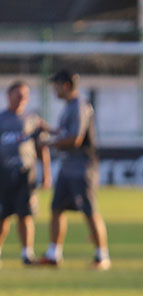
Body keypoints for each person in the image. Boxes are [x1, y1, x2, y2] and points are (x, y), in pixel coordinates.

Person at [40, 70, 110, 270]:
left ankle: (102, 256)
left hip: (82, 166)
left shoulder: (79, 106)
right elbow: (65, 133)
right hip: (68, 165)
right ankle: (54, 254)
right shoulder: (69, 107)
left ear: (66, 85)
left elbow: (75, 139)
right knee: (56, 209)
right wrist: (49, 130)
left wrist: (50, 143)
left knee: (89, 210)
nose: (54, 89)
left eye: (56, 85)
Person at [0, 80, 51, 266]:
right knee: (2, 216)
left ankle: (26, 254)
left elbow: (42, 148)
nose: (22, 99)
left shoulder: (33, 120)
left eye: (25, 96)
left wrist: (47, 173)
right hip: (3, 174)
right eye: (18, 95)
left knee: (25, 215)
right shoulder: (2, 119)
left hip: (26, 174)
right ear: (9, 95)